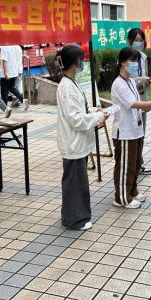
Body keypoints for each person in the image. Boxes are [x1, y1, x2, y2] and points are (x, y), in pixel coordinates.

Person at [56, 45, 109, 231]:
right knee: (75, 183)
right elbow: (76, 119)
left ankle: (71, 216)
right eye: (82, 59)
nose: (83, 62)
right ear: (76, 61)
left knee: (75, 181)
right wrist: (98, 117)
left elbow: (80, 111)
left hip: (76, 142)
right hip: (73, 143)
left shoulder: (70, 83)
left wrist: (96, 112)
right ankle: (75, 220)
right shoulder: (67, 87)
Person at [111, 48, 151, 209]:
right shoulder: (118, 84)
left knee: (135, 164)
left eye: (137, 61)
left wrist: (150, 103)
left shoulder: (130, 81)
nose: (135, 64)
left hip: (135, 130)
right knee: (125, 166)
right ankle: (121, 198)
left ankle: (132, 191)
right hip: (124, 132)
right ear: (123, 63)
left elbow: (140, 100)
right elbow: (133, 104)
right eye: (132, 61)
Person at [127, 28, 151, 176]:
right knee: (134, 134)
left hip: (142, 97)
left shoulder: (143, 56)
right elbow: (127, 79)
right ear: (129, 41)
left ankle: (139, 163)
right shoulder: (127, 57)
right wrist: (141, 80)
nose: (139, 43)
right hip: (131, 100)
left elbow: (144, 75)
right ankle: (133, 164)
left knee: (142, 133)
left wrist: (148, 81)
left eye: (141, 40)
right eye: (136, 40)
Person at [0, 45, 28, 110]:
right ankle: (22, 99)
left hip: (6, 72)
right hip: (15, 71)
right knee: (12, 88)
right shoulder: (17, 47)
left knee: (4, 91)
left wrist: (6, 73)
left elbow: (4, 60)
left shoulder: (4, 47)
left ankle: (4, 108)